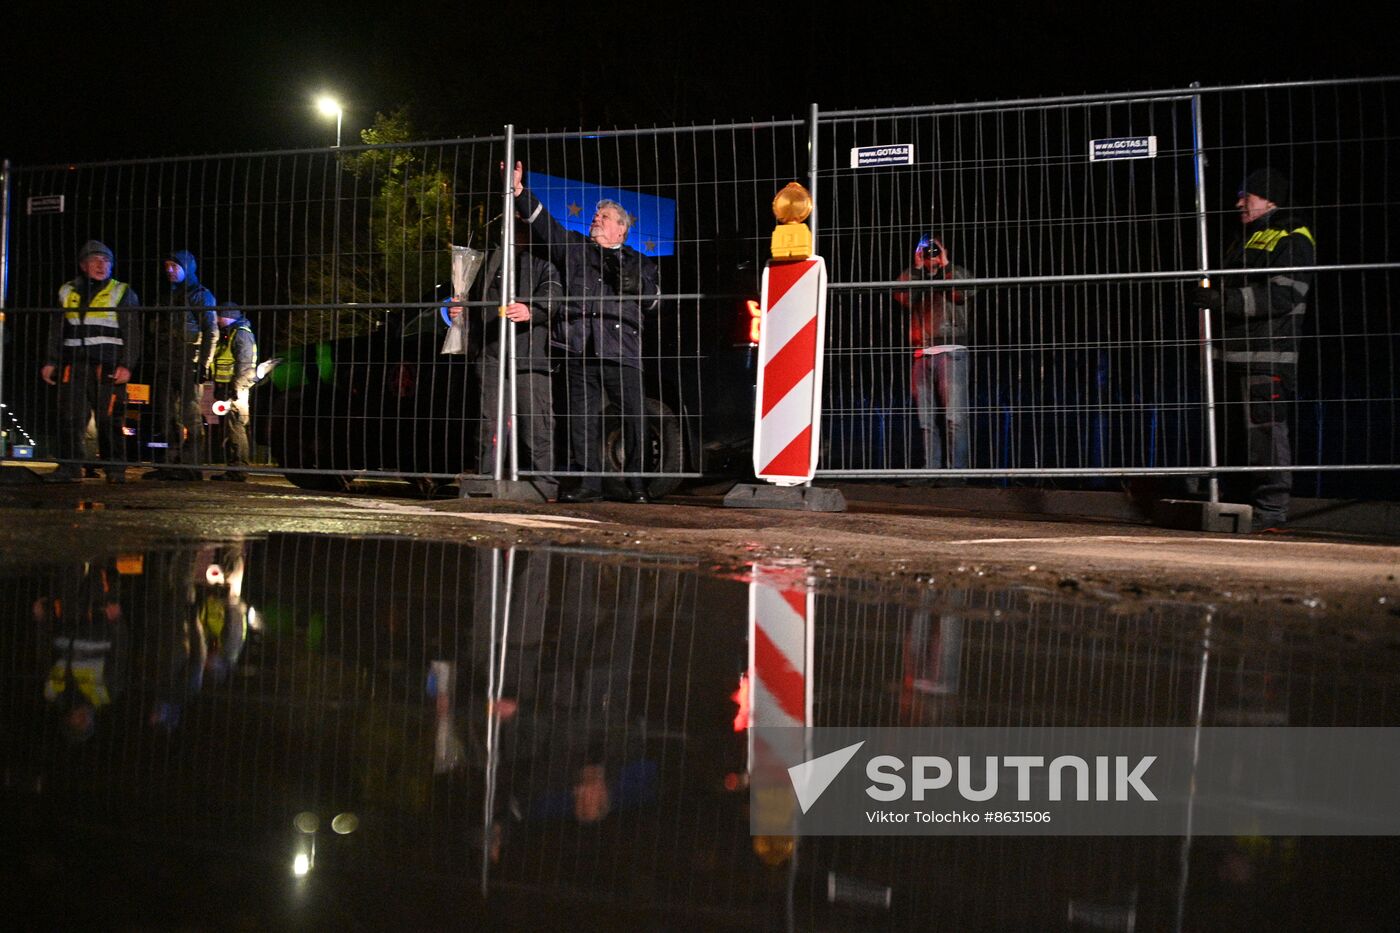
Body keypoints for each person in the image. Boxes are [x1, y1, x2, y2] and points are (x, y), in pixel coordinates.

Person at [511, 162, 660, 503]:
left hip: (620, 351)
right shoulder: (576, 249)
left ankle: (638, 484)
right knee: (582, 421)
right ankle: (589, 485)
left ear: (621, 230)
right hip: (579, 350)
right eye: (596, 215)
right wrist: (521, 192)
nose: (596, 219)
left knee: (635, 418)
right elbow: (545, 225)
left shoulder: (639, 262)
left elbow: (654, 304)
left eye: (604, 216)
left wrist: (637, 285)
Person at [1187, 168, 1314, 532]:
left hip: (1266, 355)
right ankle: (1240, 507)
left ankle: (1270, 512)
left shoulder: (1292, 235)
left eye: (1248, 196)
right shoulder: (1245, 237)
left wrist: (1222, 300)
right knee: (1237, 439)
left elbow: (1285, 293)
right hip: (1230, 356)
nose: (1239, 202)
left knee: (1266, 436)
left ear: (1269, 198)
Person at [447, 221, 562, 479]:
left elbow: (554, 295)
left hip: (529, 355)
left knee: (536, 422)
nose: (510, 234)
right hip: (490, 353)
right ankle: (488, 477)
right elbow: (470, 300)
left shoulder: (543, 263)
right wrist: (459, 308)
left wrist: (531, 309)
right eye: (507, 229)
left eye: (518, 229)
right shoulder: (488, 263)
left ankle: (543, 481)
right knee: (489, 422)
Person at [40, 240, 142, 483]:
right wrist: (50, 361)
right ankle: (70, 466)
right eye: (96, 259)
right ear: (83, 264)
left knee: (110, 419)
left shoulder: (121, 291)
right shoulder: (67, 291)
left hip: (107, 366)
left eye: (106, 260)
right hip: (72, 364)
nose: (101, 264)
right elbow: (57, 328)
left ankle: (115, 469)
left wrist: (127, 365)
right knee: (70, 418)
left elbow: (132, 331)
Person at [894, 234, 973, 474]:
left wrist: (946, 265)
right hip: (921, 352)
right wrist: (917, 269)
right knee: (926, 421)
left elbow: (961, 294)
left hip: (952, 352)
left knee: (954, 418)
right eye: (926, 251)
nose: (931, 255)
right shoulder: (915, 277)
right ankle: (930, 470)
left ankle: (957, 473)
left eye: (935, 250)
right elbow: (903, 298)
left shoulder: (957, 273)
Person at [145, 250, 218, 481]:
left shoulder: (201, 295)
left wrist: (203, 364)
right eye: (166, 265)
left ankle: (191, 466)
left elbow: (211, 331)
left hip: (189, 361)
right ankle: (168, 464)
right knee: (166, 415)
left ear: (188, 267)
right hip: (164, 362)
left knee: (191, 415)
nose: (169, 269)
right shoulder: (165, 297)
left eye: (174, 266)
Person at [209, 304, 257, 482]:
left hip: (236, 390)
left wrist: (235, 389)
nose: (216, 319)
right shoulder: (231, 333)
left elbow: (244, 364)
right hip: (229, 389)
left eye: (218, 316)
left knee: (236, 428)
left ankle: (238, 470)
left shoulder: (240, 333)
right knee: (232, 429)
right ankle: (234, 469)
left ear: (226, 316)